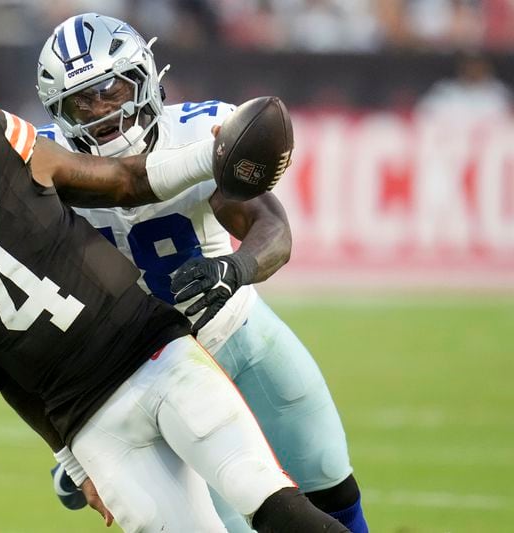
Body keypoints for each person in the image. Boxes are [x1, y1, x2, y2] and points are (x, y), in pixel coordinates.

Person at [0, 109, 349, 532]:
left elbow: (121, 180)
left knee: (267, 500)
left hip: (157, 353)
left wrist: (208, 158)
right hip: (89, 424)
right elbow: (1, 373)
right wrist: (73, 461)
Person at [29, 12, 369, 533]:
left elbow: (271, 227)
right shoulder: (44, 165)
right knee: (239, 521)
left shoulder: (192, 132)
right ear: (60, 110)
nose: (100, 111)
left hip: (238, 333)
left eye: (111, 90)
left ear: (143, 78)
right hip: (152, 370)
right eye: (83, 100)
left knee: (331, 485)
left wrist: (235, 267)